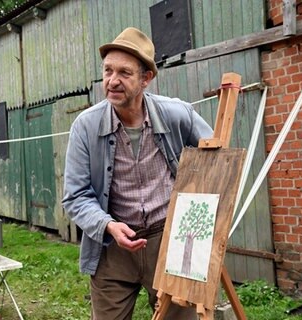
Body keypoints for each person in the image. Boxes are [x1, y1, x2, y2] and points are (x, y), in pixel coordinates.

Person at [62, 27, 213, 319]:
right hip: (113, 248)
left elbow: (217, 159)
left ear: (146, 78)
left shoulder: (177, 114)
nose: (112, 81)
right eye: (108, 71)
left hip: (169, 243)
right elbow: (75, 196)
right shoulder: (86, 126)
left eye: (124, 73)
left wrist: (199, 223)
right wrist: (108, 226)